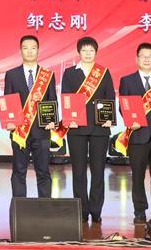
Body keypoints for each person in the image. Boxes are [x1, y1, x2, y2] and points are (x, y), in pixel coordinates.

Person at [60, 36, 115, 224]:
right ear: (79, 52)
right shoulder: (69, 73)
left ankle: (96, 210)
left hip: (100, 129)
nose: (88, 53)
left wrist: (109, 119)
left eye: (91, 50)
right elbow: (66, 98)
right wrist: (69, 119)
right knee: (79, 171)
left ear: (96, 52)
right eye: (84, 50)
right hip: (77, 129)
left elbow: (110, 98)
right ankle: (82, 210)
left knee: (98, 171)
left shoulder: (103, 72)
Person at [118, 42, 151, 224]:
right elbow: (123, 106)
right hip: (137, 136)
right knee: (137, 177)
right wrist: (129, 120)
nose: (147, 59)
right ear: (137, 59)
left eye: (150, 56)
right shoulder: (127, 81)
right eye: (143, 56)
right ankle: (139, 211)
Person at [3, 35, 57, 199]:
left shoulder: (47, 75)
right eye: (25, 48)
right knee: (19, 171)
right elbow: (8, 100)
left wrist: (52, 120)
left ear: (38, 50)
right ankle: (19, 206)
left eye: (33, 48)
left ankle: (45, 206)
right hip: (20, 131)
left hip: (42, 131)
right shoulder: (11, 74)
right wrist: (9, 122)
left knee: (43, 171)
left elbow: (52, 100)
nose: (29, 51)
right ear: (20, 51)